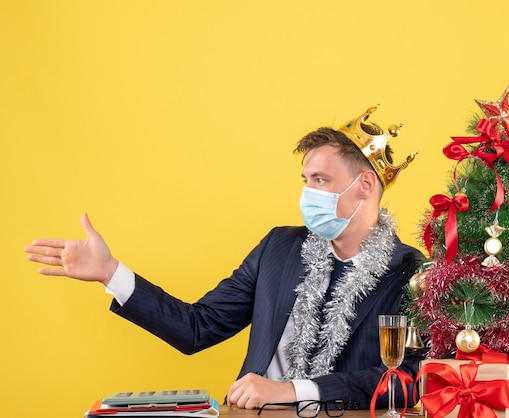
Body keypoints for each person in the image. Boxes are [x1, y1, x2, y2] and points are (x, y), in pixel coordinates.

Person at [25, 106, 428, 410]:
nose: (309, 194)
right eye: (305, 181)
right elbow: (198, 327)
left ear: (365, 184)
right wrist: (110, 272)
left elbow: (412, 379)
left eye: (321, 181)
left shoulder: (413, 273)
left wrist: (292, 390)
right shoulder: (278, 248)